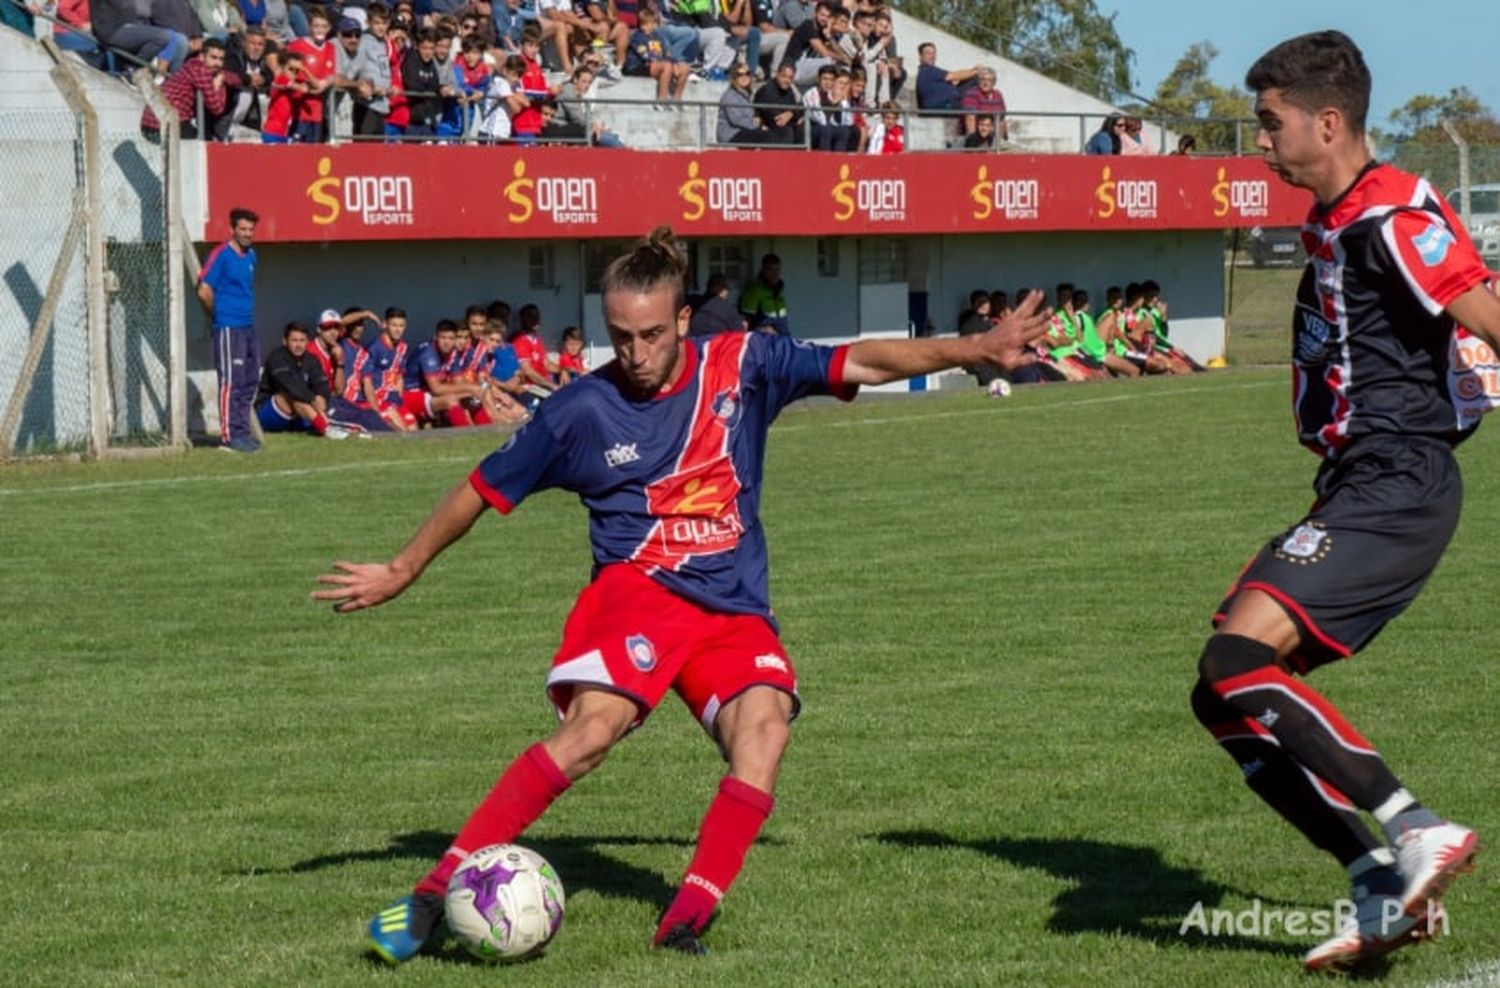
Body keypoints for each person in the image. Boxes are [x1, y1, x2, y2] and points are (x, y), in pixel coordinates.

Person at [316, 225, 1052, 964]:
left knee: (764, 734)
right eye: (619, 336)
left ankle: (686, 919)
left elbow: (861, 356)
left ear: (681, 321)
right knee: (593, 731)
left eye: (648, 335)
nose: (633, 353)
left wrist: (973, 348)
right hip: (635, 593)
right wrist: (403, 568)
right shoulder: (579, 412)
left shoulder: (745, 364)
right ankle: (434, 889)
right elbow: (479, 490)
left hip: (731, 609)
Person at [1191, 30, 1500, 974]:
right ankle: (1376, 881)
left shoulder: (1393, 215)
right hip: (1358, 479)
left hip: (1397, 479)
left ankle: (1415, 827)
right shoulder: (1334, 218)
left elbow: (1486, 309)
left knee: (1238, 659)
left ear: (1329, 122)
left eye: (1272, 123)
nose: (1262, 140)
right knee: (1220, 694)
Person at [197, 207, 261, 453]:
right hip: (228, 327)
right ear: (232, 229)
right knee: (230, 382)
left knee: (250, 380)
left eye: (250, 230)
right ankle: (228, 437)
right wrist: (219, 315)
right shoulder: (221, 254)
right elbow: (204, 290)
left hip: (248, 326)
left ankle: (242, 432)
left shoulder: (252, 256)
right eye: (242, 229)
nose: (247, 234)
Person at [255, 322, 351, 439]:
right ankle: (326, 429)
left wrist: (321, 398)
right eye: (294, 340)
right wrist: (312, 399)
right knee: (292, 396)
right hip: (269, 413)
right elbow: (290, 385)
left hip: (298, 414)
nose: (298, 345)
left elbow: (321, 384)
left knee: (318, 398)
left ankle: (327, 425)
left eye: (302, 340)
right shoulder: (277, 358)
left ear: (307, 342)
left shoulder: (312, 360)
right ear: (285, 341)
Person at [140, 38, 230, 139]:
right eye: (213, 57)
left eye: (221, 59)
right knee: (199, 142)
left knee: (198, 136)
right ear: (202, 56)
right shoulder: (201, 70)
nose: (218, 63)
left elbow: (233, 78)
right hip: (161, 124)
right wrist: (218, 84)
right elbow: (216, 107)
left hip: (154, 122)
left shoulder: (192, 65)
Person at [914, 41, 976, 113]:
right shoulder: (927, 70)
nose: (932, 56)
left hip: (949, 104)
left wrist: (972, 71)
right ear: (920, 56)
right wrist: (975, 72)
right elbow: (953, 76)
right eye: (928, 53)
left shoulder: (934, 71)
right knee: (976, 78)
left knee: (975, 79)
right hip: (942, 106)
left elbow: (955, 78)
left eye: (934, 53)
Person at [739, 252, 788, 336]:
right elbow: (745, 323)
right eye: (771, 270)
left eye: (777, 269)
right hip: (765, 341)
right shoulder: (755, 291)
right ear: (764, 270)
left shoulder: (780, 289)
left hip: (783, 338)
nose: (775, 274)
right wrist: (762, 329)